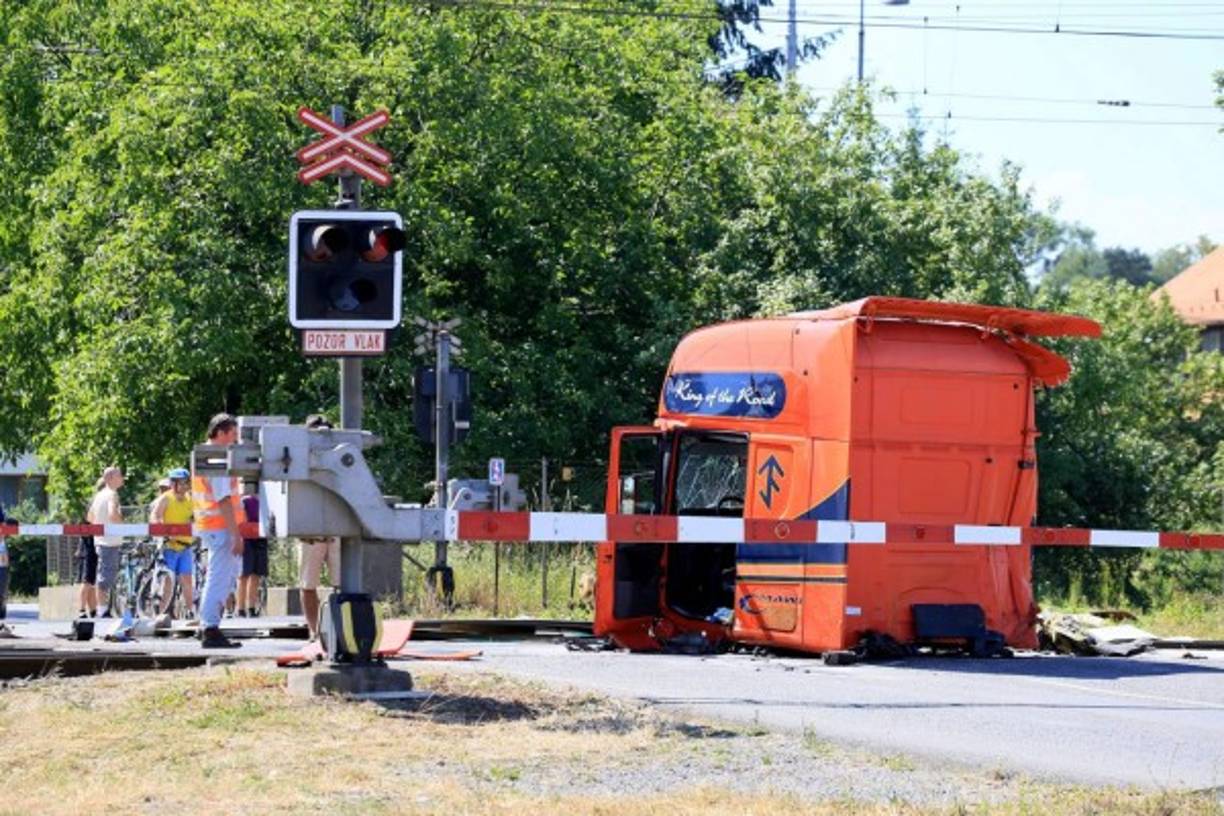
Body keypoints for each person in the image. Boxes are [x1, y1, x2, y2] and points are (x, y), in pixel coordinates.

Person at [192, 414, 243, 649]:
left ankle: (207, 625)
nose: (236, 440)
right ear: (220, 433)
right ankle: (210, 628)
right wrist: (236, 534)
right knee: (219, 579)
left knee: (217, 577)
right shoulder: (217, 458)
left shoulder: (203, 455)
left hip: (211, 526)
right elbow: (223, 499)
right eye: (233, 434)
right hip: (220, 528)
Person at [299, 413, 339, 640]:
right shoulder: (299, 459)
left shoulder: (339, 457)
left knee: (341, 583)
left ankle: (338, 628)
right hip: (310, 532)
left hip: (335, 530)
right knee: (308, 584)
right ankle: (314, 631)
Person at [149, 468, 195, 621]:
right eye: (180, 483)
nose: (184, 486)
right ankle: (161, 614)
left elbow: (195, 517)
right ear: (173, 484)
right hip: (170, 546)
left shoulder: (190, 499)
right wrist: (163, 530)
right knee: (168, 581)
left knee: (187, 579)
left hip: (185, 546)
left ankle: (191, 612)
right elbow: (155, 516)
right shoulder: (166, 498)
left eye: (185, 483)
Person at [86, 466, 125, 617]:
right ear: (110, 478)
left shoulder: (99, 495)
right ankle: (102, 611)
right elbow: (113, 514)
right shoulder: (112, 494)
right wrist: (123, 526)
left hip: (100, 540)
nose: (122, 478)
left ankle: (103, 609)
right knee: (105, 578)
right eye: (119, 476)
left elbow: (90, 517)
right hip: (109, 542)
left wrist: (99, 528)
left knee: (103, 575)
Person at [236, 494, 267, 618]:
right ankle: (241, 608)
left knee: (256, 574)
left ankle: (251, 607)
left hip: (261, 538)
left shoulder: (265, 500)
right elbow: (240, 519)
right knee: (244, 575)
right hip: (246, 539)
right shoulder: (244, 500)